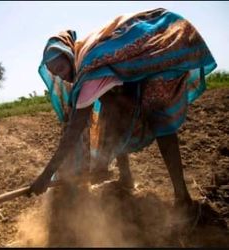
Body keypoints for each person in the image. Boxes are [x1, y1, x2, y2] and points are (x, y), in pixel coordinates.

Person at [28, 8, 217, 226]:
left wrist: (46, 175)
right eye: (56, 73)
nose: (62, 75)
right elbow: (111, 100)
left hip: (163, 46)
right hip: (147, 58)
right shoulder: (85, 56)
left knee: (160, 120)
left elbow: (75, 129)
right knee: (112, 112)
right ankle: (126, 177)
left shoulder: (88, 70)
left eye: (61, 67)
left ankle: (183, 198)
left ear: (68, 54)